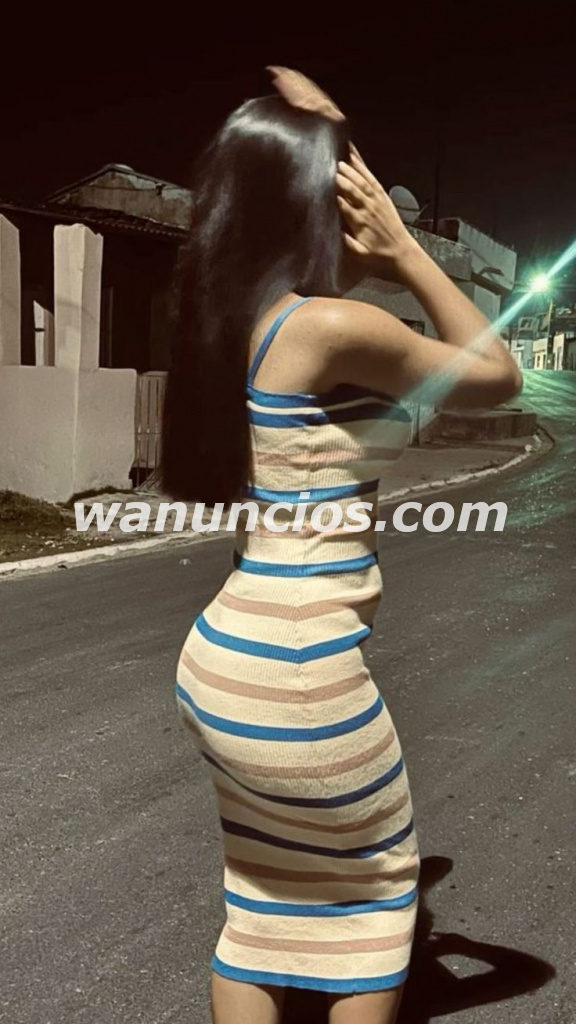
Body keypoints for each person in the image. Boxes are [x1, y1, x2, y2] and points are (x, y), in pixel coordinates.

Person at [159, 69, 522, 1024]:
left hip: (225, 661)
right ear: (316, 212)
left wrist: (319, 129)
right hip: (298, 672)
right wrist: (407, 250)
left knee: (260, 911)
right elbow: (497, 373)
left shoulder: (238, 320)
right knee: (376, 901)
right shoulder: (328, 329)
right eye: (345, 190)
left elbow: (315, 254)